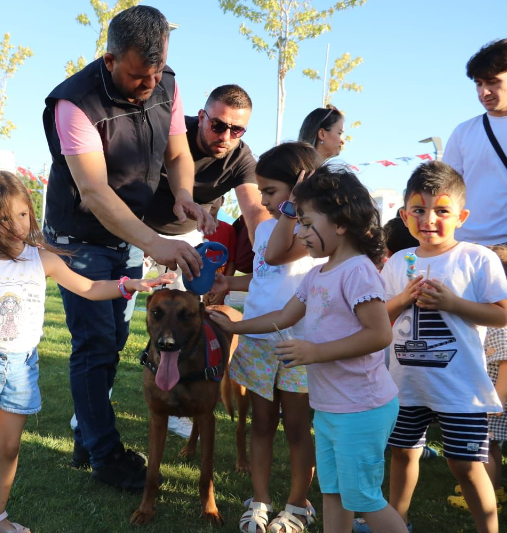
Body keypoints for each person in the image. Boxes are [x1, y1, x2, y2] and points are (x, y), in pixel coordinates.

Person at [0, 171, 174, 533]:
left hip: (22, 368)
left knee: (8, 448)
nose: (16, 226)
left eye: (23, 215)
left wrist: (130, 285)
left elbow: (89, 288)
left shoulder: (43, 260)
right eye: (4, 219)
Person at [41, 5, 212, 491]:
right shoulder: (74, 103)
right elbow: (94, 193)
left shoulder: (167, 84)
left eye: (155, 74)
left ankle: (87, 437)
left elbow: (179, 153)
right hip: (79, 237)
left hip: (127, 233)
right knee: (95, 347)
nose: (148, 85)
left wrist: (183, 194)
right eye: (138, 75)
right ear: (110, 59)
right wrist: (158, 241)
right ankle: (107, 456)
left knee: (115, 342)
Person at [208, 166, 408, 533]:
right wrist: (235, 326)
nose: (299, 234)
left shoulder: (358, 271)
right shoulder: (317, 274)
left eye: (306, 223)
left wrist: (315, 352)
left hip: (362, 408)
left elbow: (380, 334)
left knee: (363, 497)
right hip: (331, 407)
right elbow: (284, 315)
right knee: (333, 492)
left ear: (341, 222)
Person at [376, 162, 507, 533]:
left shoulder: (477, 259)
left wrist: (453, 304)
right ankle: (396, 521)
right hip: (406, 385)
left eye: (442, 210)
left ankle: (489, 529)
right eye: (418, 209)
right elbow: (381, 316)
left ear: (461, 216)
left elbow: (502, 315)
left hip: (461, 387)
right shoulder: (398, 262)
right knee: (402, 453)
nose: (429, 219)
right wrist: (403, 299)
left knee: (465, 465)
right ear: (404, 215)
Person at [207, 142, 322, 533]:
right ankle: (260, 498)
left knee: (295, 428)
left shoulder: (313, 231)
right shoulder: (271, 226)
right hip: (258, 342)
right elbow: (263, 273)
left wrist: (293, 210)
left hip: (296, 344)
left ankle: (297, 503)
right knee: (259, 422)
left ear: (299, 188)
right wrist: (230, 281)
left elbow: (276, 257)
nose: (263, 199)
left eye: (271, 191)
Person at [143, 84, 268, 291]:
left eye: (237, 130)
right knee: (118, 299)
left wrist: (267, 252)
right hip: (142, 229)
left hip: (187, 237)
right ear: (201, 117)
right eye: (218, 125)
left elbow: (255, 208)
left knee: (186, 309)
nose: (225, 137)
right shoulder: (172, 132)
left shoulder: (241, 160)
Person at [447, 245, 507, 512]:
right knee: (490, 447)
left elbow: (505, 363)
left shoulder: (501, 326)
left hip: (493, 400)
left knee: (485, 448)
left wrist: (499, 398)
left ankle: (489, 492)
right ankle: (496, 488)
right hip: (491, 396)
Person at [443, 38, 507, 247]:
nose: (483, 92)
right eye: (478, 83)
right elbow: (444, 191)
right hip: (466, 246)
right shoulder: (464, 132)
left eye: (492, 82)